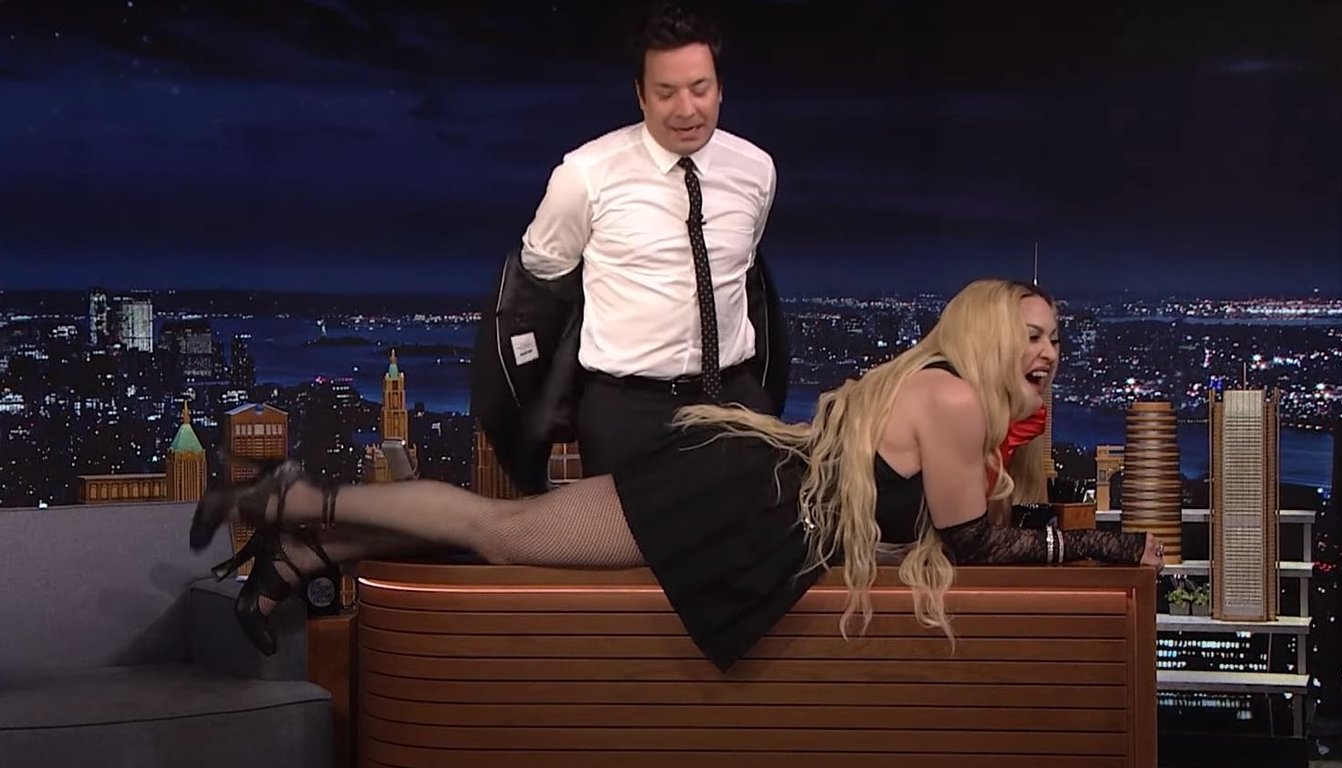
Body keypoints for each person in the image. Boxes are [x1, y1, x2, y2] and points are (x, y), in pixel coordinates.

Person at [191, 279, 1164, 669]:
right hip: (733, 504)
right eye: (1032, 333)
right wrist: (1114, 548)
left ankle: (300, 552)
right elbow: (974, 541)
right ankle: (292, 497)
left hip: (740, 501)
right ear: (988, 331)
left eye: (1056, 336)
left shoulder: (950, 397)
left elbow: (967, 523)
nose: (1049, 350)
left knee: (499, 533)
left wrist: (1063, 528)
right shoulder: (952, 398)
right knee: (498, 530)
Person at [470, 0, 786, 490]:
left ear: (720, 88)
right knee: (627, 541)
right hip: (628, 410)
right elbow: (538, 281)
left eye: (700, 88)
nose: (686, 109)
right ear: (641, 95)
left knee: (748, 533)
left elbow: (744, 272)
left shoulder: (756, 170)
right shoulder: (586, 175)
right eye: (666, 92)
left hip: (734, 399)